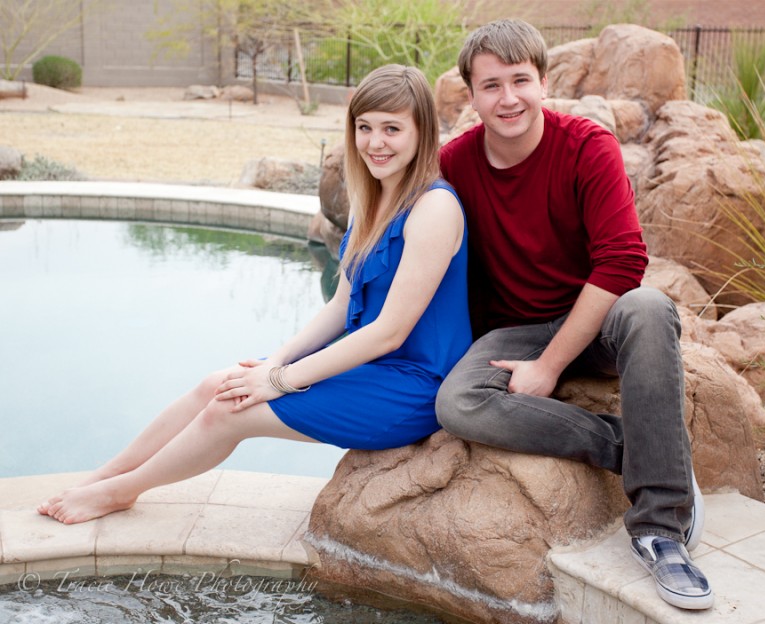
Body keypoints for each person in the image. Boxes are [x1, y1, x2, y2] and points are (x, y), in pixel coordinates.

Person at [38, 64, 471, 526]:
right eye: (364, 128)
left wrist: (282, 381)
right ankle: (106, 474)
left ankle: (121, 492)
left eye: (391, 129)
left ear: (421, 131)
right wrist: (275, 363)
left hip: (414, 385)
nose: (375, 142)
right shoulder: (377, 198)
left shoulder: (434, 206)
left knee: (231, 411)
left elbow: (389, 332)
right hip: (371, 365)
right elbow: (342, 303)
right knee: (217, 384)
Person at [435, 19, 713, 611]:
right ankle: (633, 446)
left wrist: (549, 366)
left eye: (520, 80)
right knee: (456, 403)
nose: (508, 98)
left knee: (649, 306)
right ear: (471, 94)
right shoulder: (455, 165)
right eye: (491, 86)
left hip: (600, 318)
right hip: (513, 329)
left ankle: (661, 528)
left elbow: (622, 260)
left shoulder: (587, 145)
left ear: (542, 82)